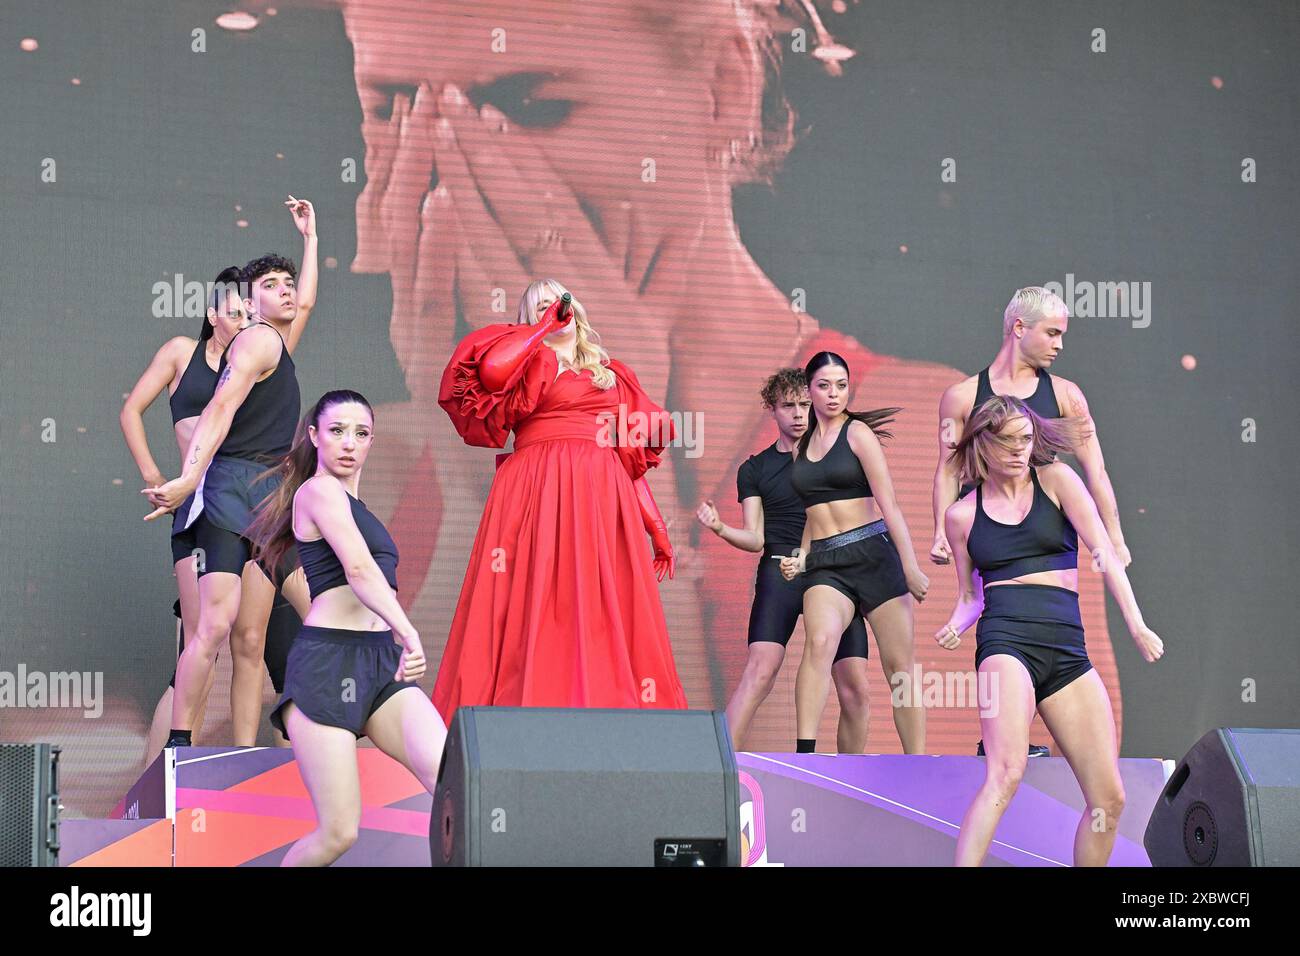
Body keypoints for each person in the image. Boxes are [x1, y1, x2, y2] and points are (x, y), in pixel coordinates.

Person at [333, 0, 1123, 751]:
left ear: (723, 89)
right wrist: (495, 479)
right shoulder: (372, 466)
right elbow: (378, 818)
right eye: (388, 109)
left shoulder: (920, 435)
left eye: (528, 107)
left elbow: (834, 827)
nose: (443, 177)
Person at [433, 278, 687, 719]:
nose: (553, 310)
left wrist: (656, 528)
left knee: (598, 601)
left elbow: (631, 462)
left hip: (600, 494)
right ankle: (527, 709)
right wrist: (539, 333)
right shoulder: (521, 364)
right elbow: (490, 374)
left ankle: (605, 716)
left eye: (559, 302)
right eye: (539, 307)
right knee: (532, 598)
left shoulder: (613, 373)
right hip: (536, 489)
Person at [935, 396, 1163, 866]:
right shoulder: (961, 516)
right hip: (1006, 639)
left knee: (1109, 799)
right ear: (984, 443)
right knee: (1006, 771)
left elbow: (1103, 553)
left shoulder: (1057, 480)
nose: (1021, 449)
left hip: (1065, 647)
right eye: (1009, 440)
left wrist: (1137, 623)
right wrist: (955, 625)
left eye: (1026, 438)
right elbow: (971, 596)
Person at [247, 390, 446, 867]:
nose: (349, 443)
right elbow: (358, 571)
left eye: (360, 433)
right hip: (327, 666)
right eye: (336, 431)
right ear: (315, 436)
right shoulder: (317, 493)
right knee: (338, 832)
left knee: (454, 787)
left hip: (379, 665)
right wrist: (409, 632)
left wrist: (393, 635)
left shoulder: (361, 507)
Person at [145, 200, 316, 746]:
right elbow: (216, 415)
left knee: (255, 632)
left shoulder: (272, 344)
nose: (288, 289)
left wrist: (312, 237)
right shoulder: (260, 339)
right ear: (250, 301)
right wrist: (188, 478)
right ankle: (179, 748)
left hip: (264, 498)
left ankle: (258, 746)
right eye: (272, 282)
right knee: (217, 629)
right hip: (231, 493)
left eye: (288, 281)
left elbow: (307, 299)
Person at [696, 368, 873, 752]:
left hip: (832, 574)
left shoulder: (841, 458)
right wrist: (721, 529)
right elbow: (755, 537)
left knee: (855, 685)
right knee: (760, 671)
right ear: (772, 411)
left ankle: (854, 782)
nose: (797, 414)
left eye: (805, 405)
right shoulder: (755, 469)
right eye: (787, 406)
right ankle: (718, 766)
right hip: (780, 571)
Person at [120, 267, 246, 760]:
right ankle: (161, 778)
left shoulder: (252, 368)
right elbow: (132, 409)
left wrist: (312, 242)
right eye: (233, 313)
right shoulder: (181, 352)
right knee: (197, 647)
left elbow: (297, 314)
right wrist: (154, 475)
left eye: (249, 314)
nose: (242, 322)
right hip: (196, 512)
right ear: (213, 314)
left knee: (245, 646)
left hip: (244, 516)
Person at [780, 352, 928, 754]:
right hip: (827, 564)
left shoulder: (858, 434)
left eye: (841, 385)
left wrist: (910, 568)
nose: (834, 394)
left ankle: (918, 762)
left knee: (899, 667)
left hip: (873, 558)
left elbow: (889, 504)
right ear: (809, 390)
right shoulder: (801, 447)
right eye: (824, 386)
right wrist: (803, 555)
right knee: (820, 641)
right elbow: (813, 515)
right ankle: (806, 756)